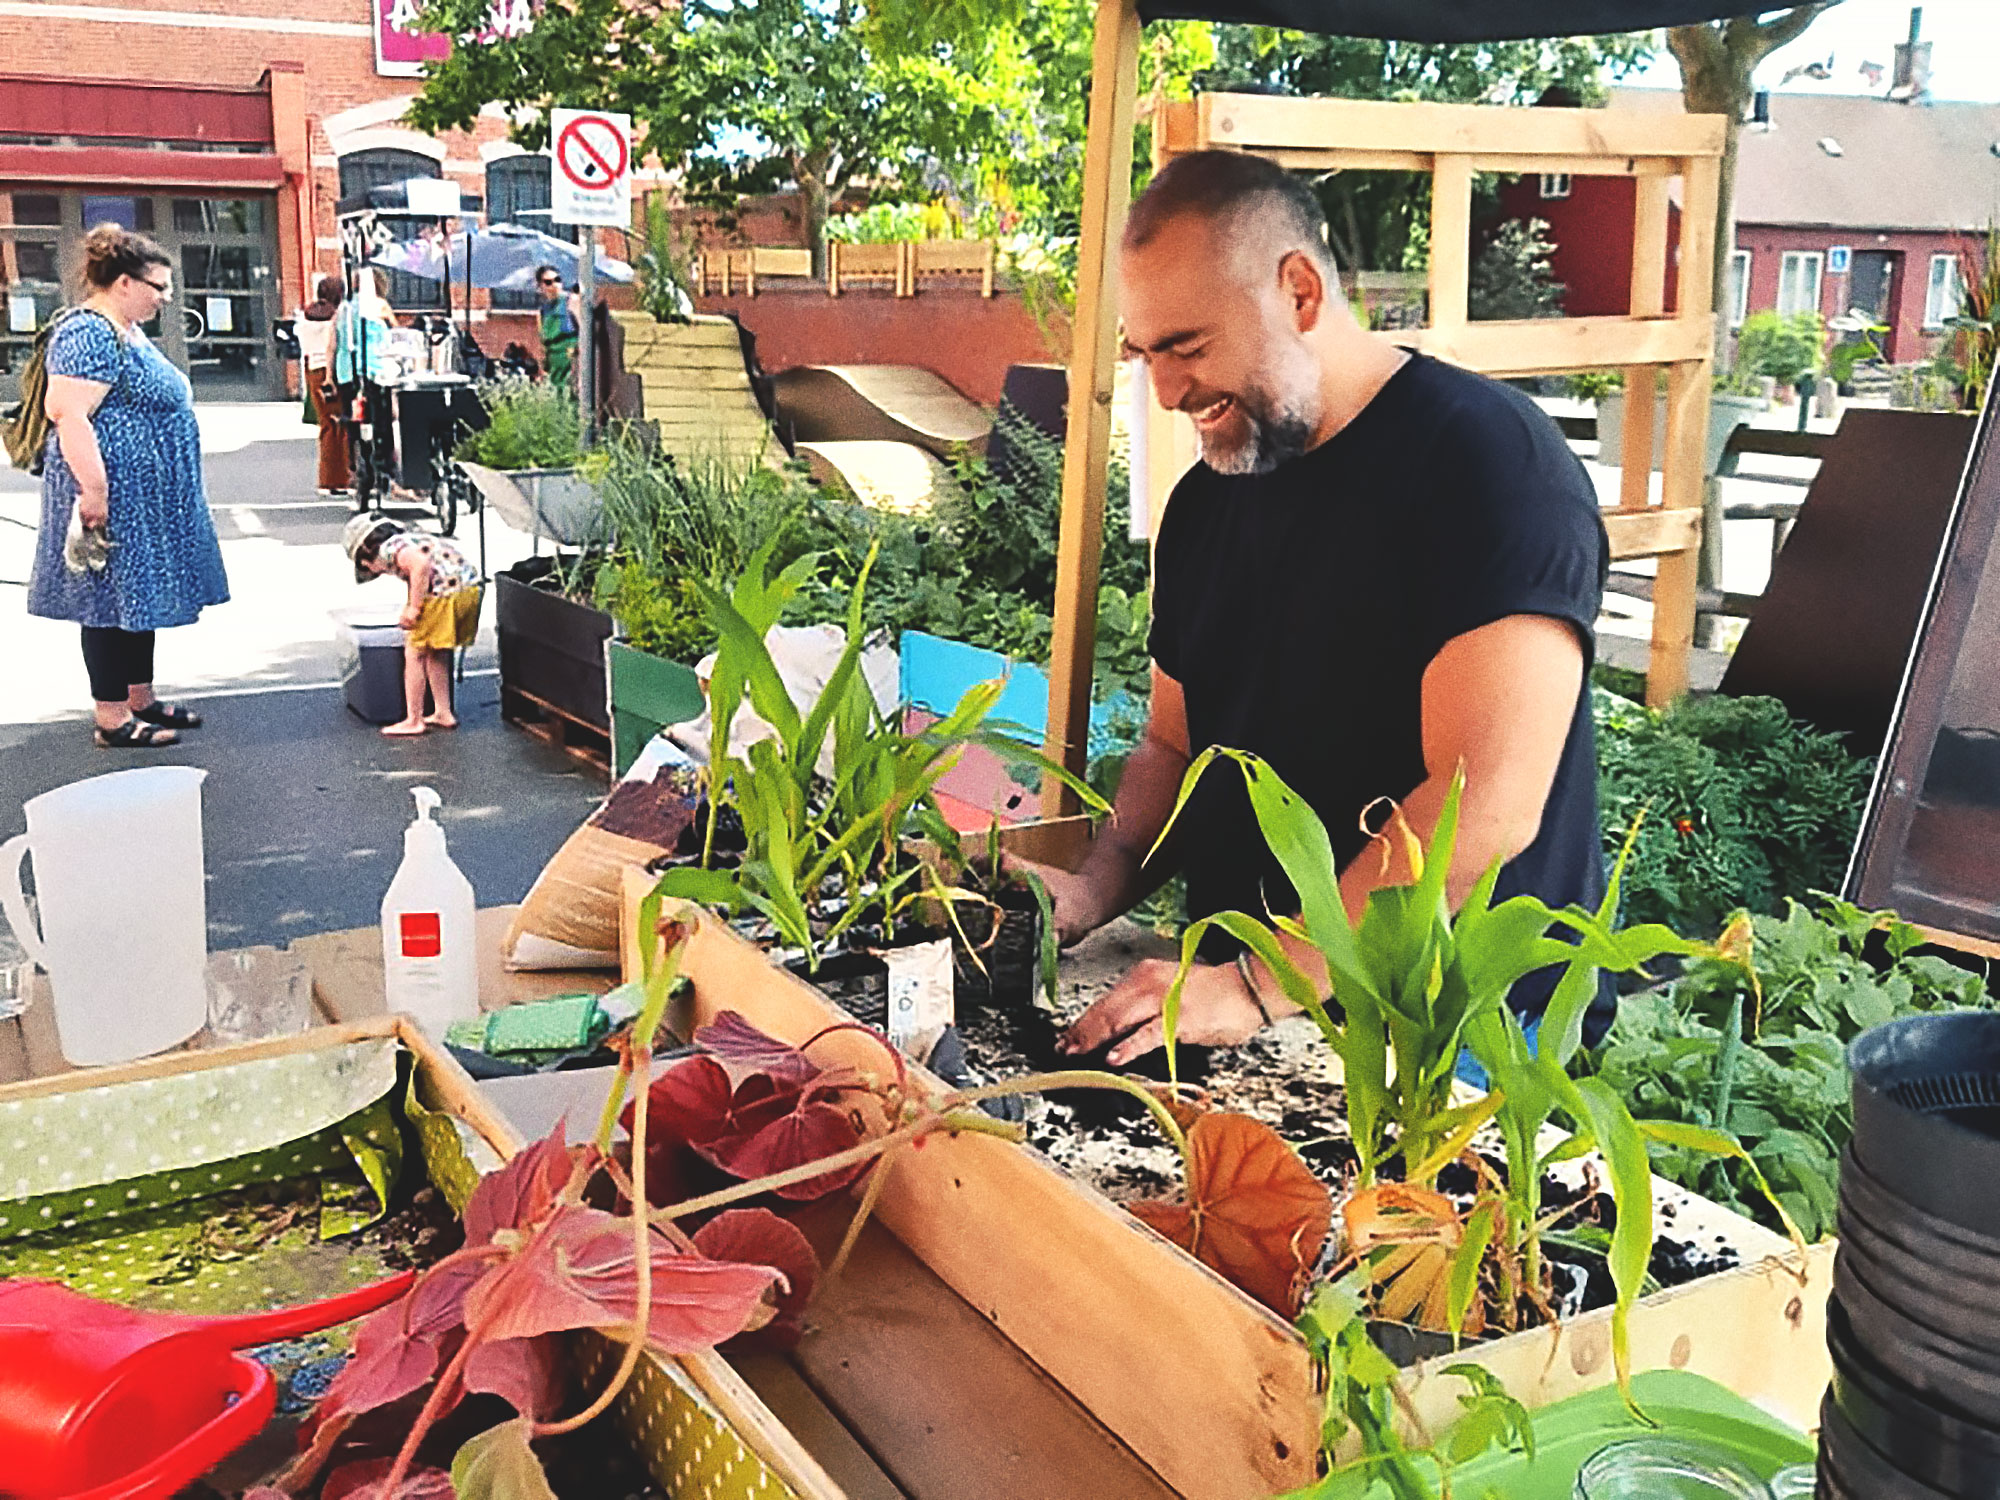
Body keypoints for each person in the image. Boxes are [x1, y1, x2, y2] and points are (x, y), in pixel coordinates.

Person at [1015, 151, 1609, 1067]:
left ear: (1298, 292)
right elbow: (1174, 746)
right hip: (1241, 997)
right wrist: (1094, 888)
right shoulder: (1210, 500)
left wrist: (1266, 981)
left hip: (1450, 1031)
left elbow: (1482, 805)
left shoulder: (1491, 470)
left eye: (1188, 347)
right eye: (1146, 356)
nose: (1168, 394)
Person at [27, 223, 229, 748]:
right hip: (113, 495)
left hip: (143, 498)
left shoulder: (124, 329)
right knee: (107, 604)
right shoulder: (88, 331)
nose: (165, 298)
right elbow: (68, 414)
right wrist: (94, 493)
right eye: (157, 287)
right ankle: (112, 718)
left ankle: (141, 699)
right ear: (122, 282)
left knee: (139, 596)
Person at [343, 515, 482, 737]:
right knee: (436, 651)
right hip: (467, 589)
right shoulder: (408, 539)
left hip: (444, 591)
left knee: (414, 651)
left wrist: (413, 608)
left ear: (367, 551)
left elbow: (420, 566)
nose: (376, 571)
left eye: (368, 566)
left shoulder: (390, 549)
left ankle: (414, 719)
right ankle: (443, 711)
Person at [296, 274, 349, 494]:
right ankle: (342, 478)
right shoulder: (335, 318)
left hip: (311, 371)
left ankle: (326, 479)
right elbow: (331, 349)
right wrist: (330, 377)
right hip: (329, 372)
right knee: (341, 425)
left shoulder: (304, 317)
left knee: (325, 426)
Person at [534, 265, 580, 387]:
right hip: (554, 367)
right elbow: (543, 344)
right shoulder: (542, 312)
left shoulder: (571, 301)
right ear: (540, 286)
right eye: (548, 282)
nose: (554, 285)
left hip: (572, 363)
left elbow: (585, 333)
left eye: (557, 280)